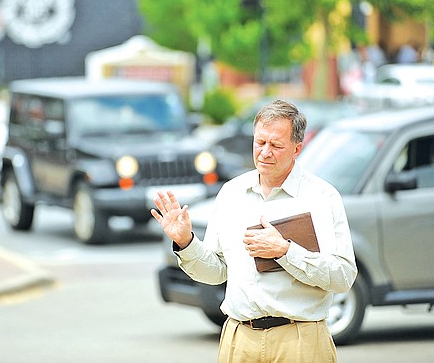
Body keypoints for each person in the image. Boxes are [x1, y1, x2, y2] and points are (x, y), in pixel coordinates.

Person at [151, 100, 357, 362]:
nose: (265, 152)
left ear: (297, 149)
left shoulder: (322, 197)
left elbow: (343, 276)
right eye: (260, 142)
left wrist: (285, 251)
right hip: (239, 339)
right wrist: (186, 242)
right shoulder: (231, 193)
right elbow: (216, 272)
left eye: (276, 145)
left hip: (300, 340)